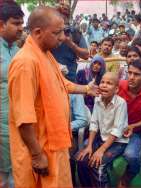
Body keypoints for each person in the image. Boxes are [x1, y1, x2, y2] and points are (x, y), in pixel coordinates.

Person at [8, 7, 97, 187]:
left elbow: (62, 83)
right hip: (40, 149)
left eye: (63, 31)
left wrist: (87, 88)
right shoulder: (26, 62)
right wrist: (37, 155)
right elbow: (24, 119)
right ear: (38, 32)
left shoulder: (45, 54)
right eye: (57, 33)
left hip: (54, 146)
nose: (63, 37)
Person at [76, 72, 128, 187]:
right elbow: (94, 124)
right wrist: (89, 146)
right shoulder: (97, 100)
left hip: (117, 142)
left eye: (109, 83)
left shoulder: (121, 103)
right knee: (81, 160)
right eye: (102, 82)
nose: (104, 85)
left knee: (98, 164)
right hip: (102, 139)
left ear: (116, 89)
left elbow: (117, 131)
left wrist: (101, 150)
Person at [0, 1, 24, 187]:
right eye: (16, 23)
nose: (20, 28)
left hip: (18, 125)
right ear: (1, 24)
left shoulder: (18, 51)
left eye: (21, 23)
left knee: (15, 174)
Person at [51, 4, 89, 83]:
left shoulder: (74, 32)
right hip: (50, 77)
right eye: (60, 14)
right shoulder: (48, 31)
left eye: (66, 14)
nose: (63, 17)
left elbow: (86, 55)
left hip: (70, 78)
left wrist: (70, 43)